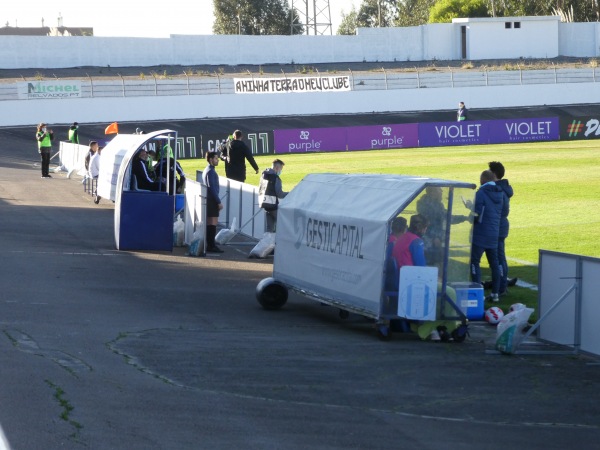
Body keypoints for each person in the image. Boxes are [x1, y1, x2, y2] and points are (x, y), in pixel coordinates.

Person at [470, 170, 508, 303]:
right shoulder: (501, 193)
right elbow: (504, 212)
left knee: (474, 262)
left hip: (480, 234)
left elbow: (477, 214)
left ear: (483, 180)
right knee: (495, 264)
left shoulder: (481, 193)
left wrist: (470, 208)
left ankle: (478, 292)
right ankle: (495, 294)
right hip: (494, 234)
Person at [488, 161, 517, 294]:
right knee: (500, 257)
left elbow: (500, 209)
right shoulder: (503, 188)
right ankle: (501, 283)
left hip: (497, 227)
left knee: (498, 258)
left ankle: (501, 286)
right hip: (500, 225)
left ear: (493, 174)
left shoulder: (498, 190)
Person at [202, 151, 224, 253]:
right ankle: (211, 245)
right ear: (211, 159)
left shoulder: (207, 170)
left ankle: (210, 244)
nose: (217, 160)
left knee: (210, 222)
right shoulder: (210, 171)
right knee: (212, 222)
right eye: (216, 158)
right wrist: (218, 201)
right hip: (212, 200)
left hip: (209, 199)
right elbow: (212, 188)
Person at [258, 159, 288, 232]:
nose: (281, 171)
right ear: (277, 168)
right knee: (283, 226)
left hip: (265, 204)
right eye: (281, 169)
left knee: (269, 229)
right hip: (273, 206)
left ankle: (268, 242)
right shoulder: (275, 178)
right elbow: (280, 194)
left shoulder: (264, 175)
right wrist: (290, 193)